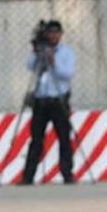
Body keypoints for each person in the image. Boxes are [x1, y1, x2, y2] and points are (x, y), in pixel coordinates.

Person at [21, 20, 77, 185]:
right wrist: (36, 52)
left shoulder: (66, 52)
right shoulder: (40, 50)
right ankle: (28, 176)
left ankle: (67, 174)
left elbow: (67, 74)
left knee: (64, 137)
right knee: (36, 139)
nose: (52, 36)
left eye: (55, 32)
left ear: (60, 34)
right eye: (49, 32)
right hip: (41, 100)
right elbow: (30, 66)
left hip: (58, 99)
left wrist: (53, 61)